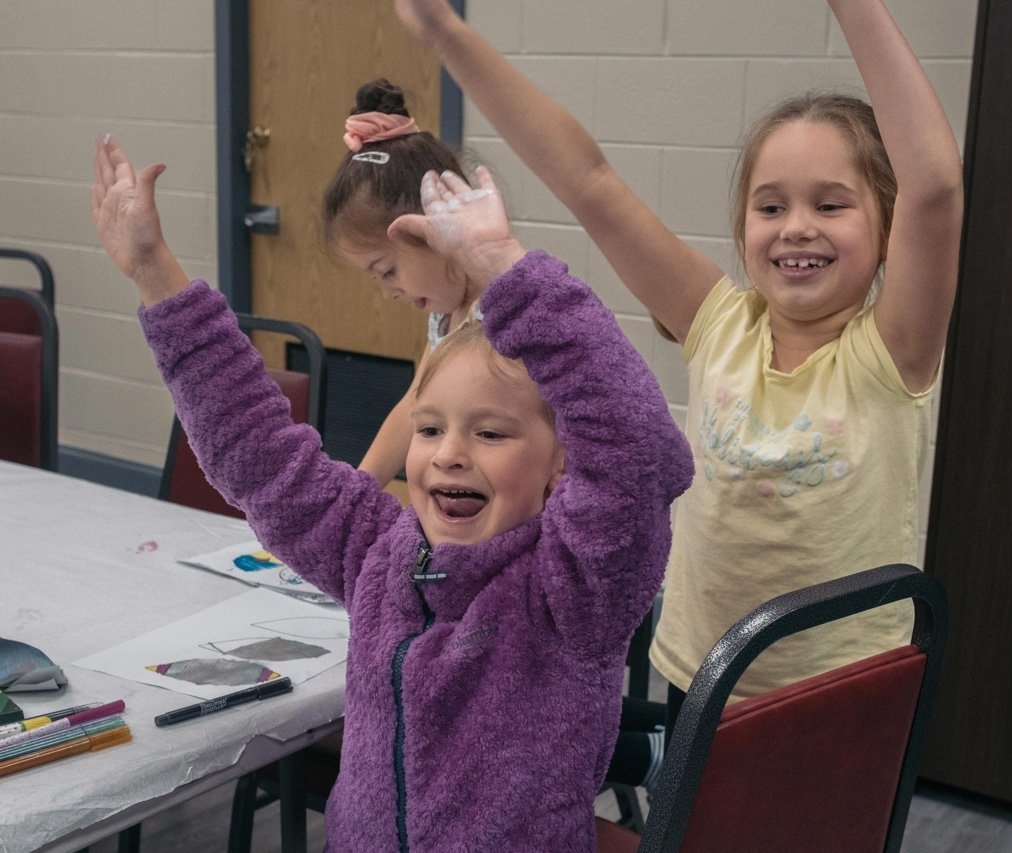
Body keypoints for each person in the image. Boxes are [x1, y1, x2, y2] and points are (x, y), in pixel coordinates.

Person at [91, 135, 693, 851]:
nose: (448, 454)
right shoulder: (379, 555)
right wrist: (154, 272)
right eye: (430, 428)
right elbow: (259, 454)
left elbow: (641, 452)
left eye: (490, 434)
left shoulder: (575, 590)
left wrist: (504, 266)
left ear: (561, 468)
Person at [395, 0, 964, 730]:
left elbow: (935, 189)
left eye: (831, 206)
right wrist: (447, 35)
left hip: (839, 697)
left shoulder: (889, 352)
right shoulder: (718, 322)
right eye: (770, 207)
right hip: (705, 676)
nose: (796, 227)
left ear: (886, 228)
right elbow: (590, 182)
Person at [322, 77, 486, 489]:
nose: (388, 292)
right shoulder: (447, 316)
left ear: (431, 231)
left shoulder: (501, 315)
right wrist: (356, 491)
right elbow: (415, 403)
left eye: (388, 270)